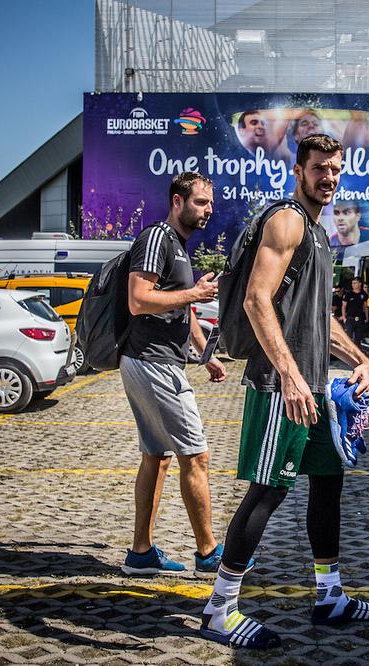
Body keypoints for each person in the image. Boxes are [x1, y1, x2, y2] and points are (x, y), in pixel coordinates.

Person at [200, 134, 369, 651]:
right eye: (319, 168)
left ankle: (329, 595)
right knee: (269, 490)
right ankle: (220, 609)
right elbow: (258, 301)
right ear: (299, 171)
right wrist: (288, 374)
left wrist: (361, 358)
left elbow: (318, 318)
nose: (329, 177)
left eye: (335, 168)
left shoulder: (321, 235)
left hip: (315, 386)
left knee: (328, 483)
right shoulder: (286, 221)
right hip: (281, 384)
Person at [120, 172, 231, 577]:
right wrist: (194, 294)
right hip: (153, 363)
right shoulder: (156, 239)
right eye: (201, 202)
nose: (208, 210)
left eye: (210, 204)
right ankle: (208, 554)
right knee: (196, 456)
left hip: (156, 361)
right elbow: (138, 300)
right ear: (177, 200)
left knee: (157, 457)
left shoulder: (179, 247)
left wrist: (205, 354)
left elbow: (180, 310)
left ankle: (141, 553)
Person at [341, 276, 369, 347]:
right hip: (350, 319)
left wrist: (366, 317)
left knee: (358, 339)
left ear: (360, 284)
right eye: (352, 283)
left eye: (355, 283)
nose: (353, 285)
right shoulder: (348, 294)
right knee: (348, 337)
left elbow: (365, 307)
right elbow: (344, 306)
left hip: (360, 319)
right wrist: (344, 317)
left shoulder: (363, 294)